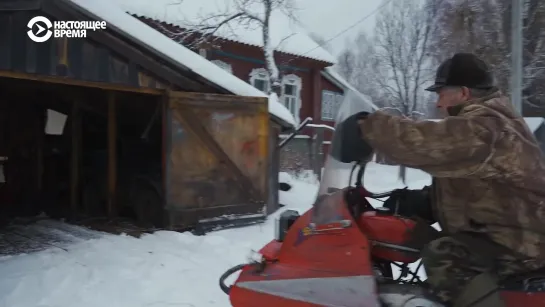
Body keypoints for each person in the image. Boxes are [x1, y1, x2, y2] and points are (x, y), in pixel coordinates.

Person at [341, 53, 545, 306]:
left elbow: (425, 142)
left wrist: (367, 127)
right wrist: (422, 201)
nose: (438, 103)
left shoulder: (489, 126)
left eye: (441, 93)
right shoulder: (491, 124)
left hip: (521, 247)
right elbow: (478, 188)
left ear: (463, 92)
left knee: (444, 255)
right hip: (507, 235)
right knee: (417, 236)